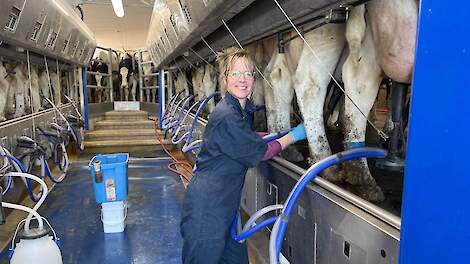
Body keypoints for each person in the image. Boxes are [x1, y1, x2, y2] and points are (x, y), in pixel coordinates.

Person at [180, 47, 307, 264]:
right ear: (225, 79)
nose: (242, 79)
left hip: (226, 202)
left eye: (247, 73)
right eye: (235, 73)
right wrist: (293, 136)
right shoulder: (227, 114)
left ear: (254, 80)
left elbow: (245, 137)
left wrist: (272, 134)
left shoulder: (240, 110)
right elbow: (260, 152)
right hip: (209, 206)